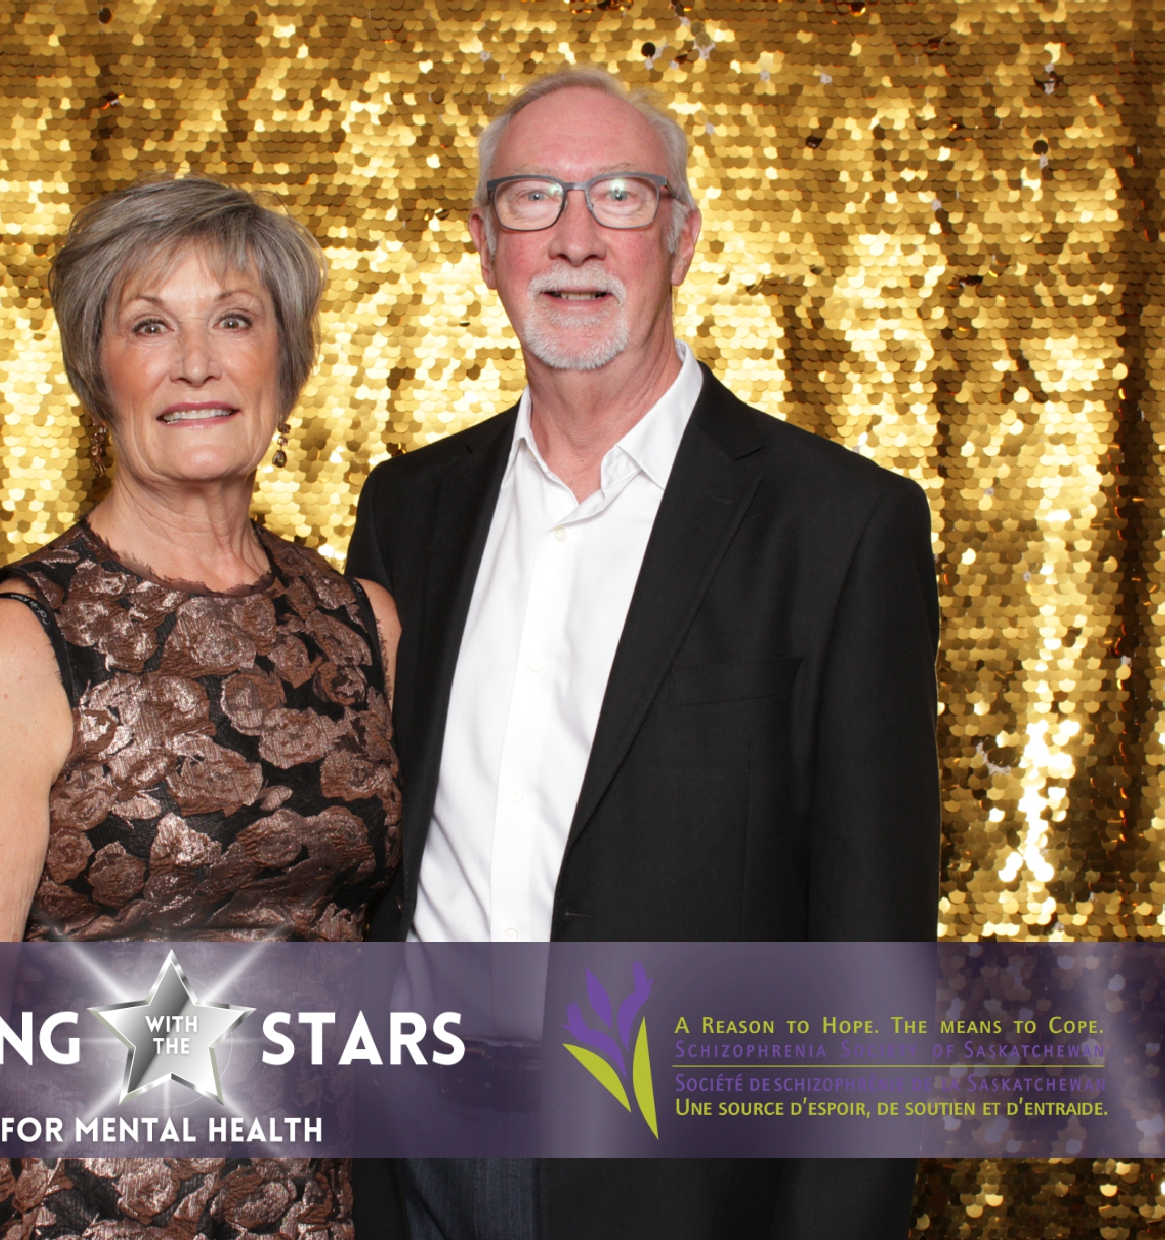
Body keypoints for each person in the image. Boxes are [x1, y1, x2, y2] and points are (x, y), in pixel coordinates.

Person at [345, 67, 940, 1239]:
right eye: (531, 198)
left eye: (619, 196)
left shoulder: (838, 524)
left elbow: (873, 951)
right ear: (482, 243)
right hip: (410, 1160)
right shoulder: (409, 508)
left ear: (682, 236)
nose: (574, 237)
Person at [0, 176, 402, 1240]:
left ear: (286, 362)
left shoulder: (362, 626)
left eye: (234, 320)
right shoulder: (22, 644)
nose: (195, 361)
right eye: (150, 325)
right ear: (97, 371)